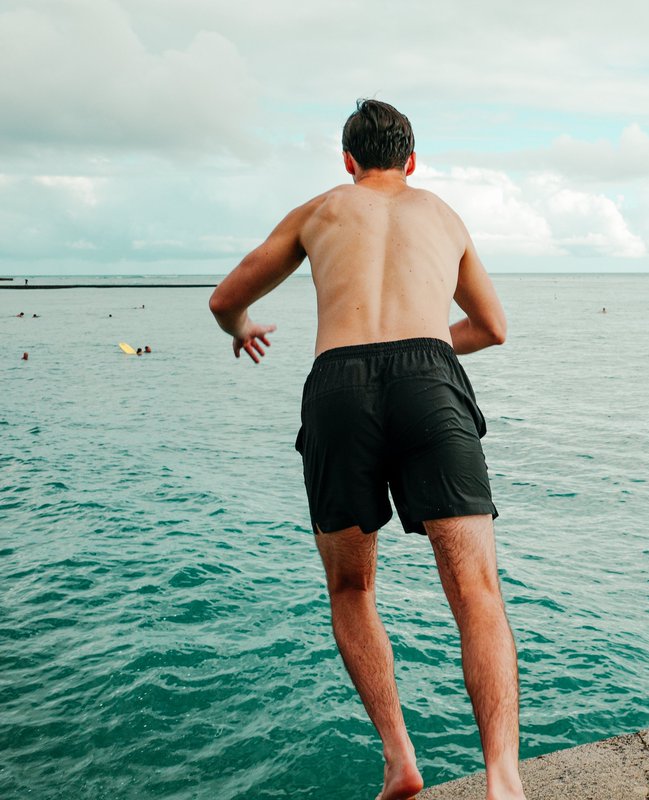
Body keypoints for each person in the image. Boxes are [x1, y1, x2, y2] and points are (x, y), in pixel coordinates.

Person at [209, 99, 523, 800]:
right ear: (412, 161)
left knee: (351, 587)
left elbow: (224, 298)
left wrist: (242, 325)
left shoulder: (319, 210)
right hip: (429, 376)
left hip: (338, 383)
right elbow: (493, 327)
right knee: (475, 590)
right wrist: (426, 343)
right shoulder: (442, 214)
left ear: (347, 162)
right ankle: (502, 777)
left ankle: (399, 759)